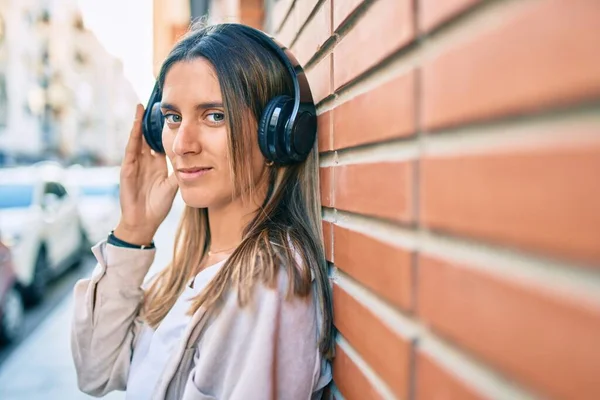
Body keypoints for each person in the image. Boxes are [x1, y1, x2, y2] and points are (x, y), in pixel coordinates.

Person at [71, 22, 334, 400]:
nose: (181, 144)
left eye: (214, 116)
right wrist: (132, 231)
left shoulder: (268, 283)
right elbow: (95, 372)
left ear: (278, 133)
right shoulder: (191, 267)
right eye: (173, 117)